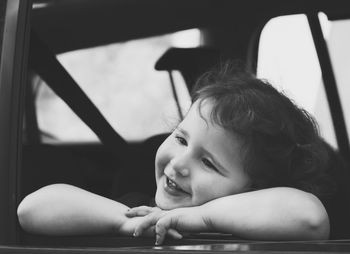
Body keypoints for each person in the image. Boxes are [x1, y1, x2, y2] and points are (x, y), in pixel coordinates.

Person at [17, 62, 334, 245]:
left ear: (253, 190)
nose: (180, 163)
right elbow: (31, 209)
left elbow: (309, 217)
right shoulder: (137, 211)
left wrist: (198, 218)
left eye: (208, 163)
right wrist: (120, 222)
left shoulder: (256, 230)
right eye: (181, 139)